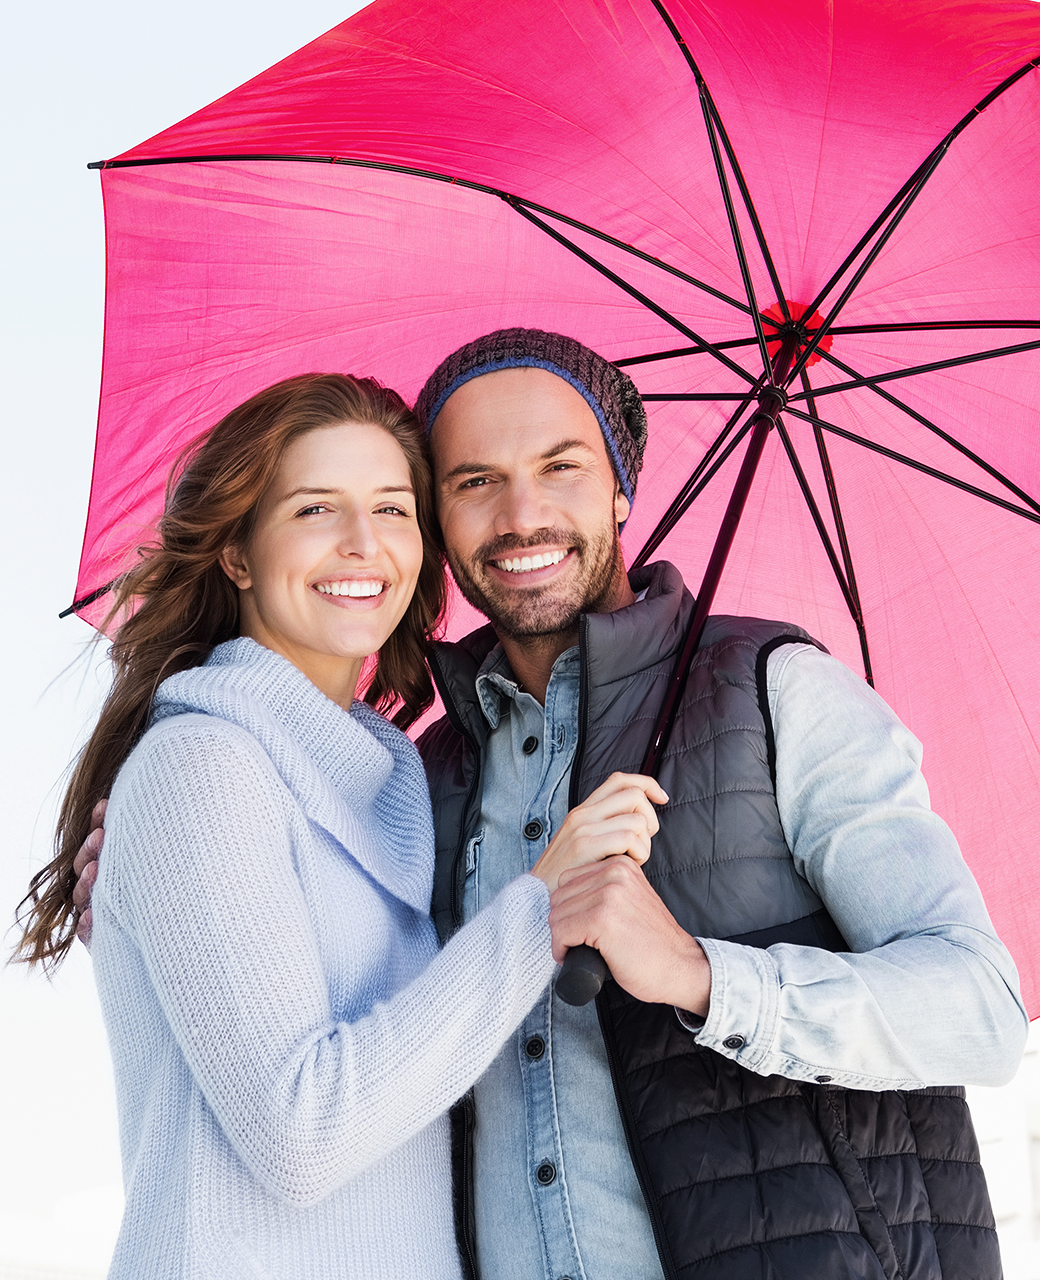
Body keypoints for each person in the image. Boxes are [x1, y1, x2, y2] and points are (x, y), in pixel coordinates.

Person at [71, 334, 1027, 1280]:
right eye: (475, 481)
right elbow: (355, 1036)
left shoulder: (774, 691)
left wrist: (706, 978)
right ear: (441, 522)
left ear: (619, 490)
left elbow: (982, 1006)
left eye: (560, 468)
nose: (522, 516)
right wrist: (149, 898)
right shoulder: (420, 779)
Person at [14, 372, 664, 1280]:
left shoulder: (388, 779)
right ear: (237, 552)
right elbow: (303, 1136)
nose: (365, 545)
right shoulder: (201, 765)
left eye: (394, 509)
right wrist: (537, 911)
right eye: (317, 509)